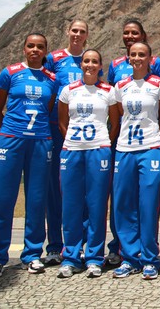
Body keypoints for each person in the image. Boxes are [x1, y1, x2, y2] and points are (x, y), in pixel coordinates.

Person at [0, 33, 57, 278]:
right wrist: (9, 129)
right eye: (31, 46)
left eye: (40, 47)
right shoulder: (10, 72)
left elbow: (47, 110)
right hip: (11, 140)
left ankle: (32, 254)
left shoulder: (51, 79)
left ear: (45, 50)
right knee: (3, 201)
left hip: (39, 142)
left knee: (36, 200)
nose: (35, 50)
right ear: (24, 48)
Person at [106, 19, 160, 265]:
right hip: (125, 149)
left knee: (148, 204)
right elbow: (117, 118)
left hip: (150, 147)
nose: (137, 58)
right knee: (123, 204)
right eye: (133, 55)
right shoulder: (120, 85)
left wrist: (155, 140)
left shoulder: (158, 84)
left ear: (150, 58)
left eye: (142, 54)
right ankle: (129, 257)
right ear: (128, 58)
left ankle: (150, 257)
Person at [57, 49, 119, 278]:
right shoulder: (68, 90)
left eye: (94, 61)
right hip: (72, 150)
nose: (90, 65)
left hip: (99, 150)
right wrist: (72, 140)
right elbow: (62, 121)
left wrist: (104, 143)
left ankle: (94, 256)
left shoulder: (109, 91)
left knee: (96, 205)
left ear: (100, 66)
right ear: (81, 64)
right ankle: (71, 256)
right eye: (86, 61)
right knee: (71, 205)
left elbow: (115, 122)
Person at [43, 20, 89, 266]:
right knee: (55, 188)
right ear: (68, 32)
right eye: (74, 30)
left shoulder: (89, 59)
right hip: (57, 128)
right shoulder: (54, 58)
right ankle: (54, 245)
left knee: (80, 190)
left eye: (82, 31)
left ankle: (79, 244)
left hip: (82, 130)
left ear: (87, 35)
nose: (77, 35)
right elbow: (48, 89)